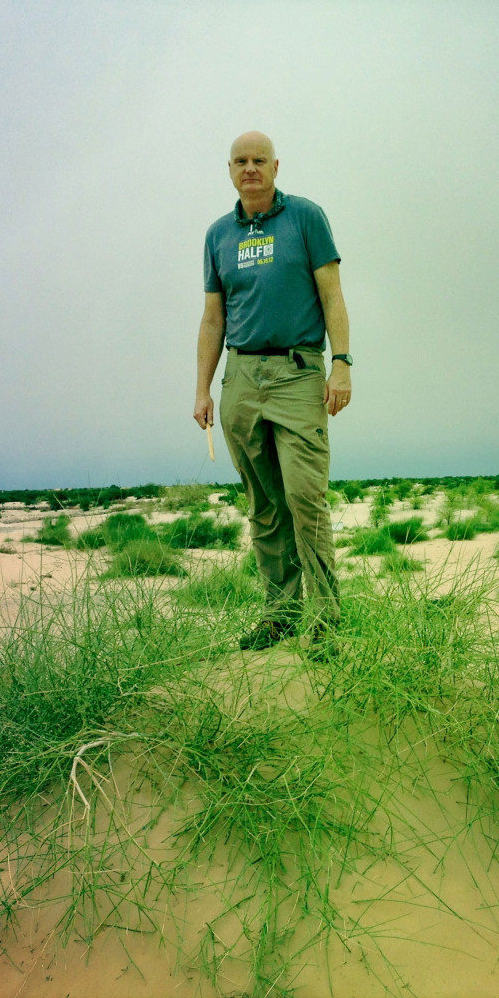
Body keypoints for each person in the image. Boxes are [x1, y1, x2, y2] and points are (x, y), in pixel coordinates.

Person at [193, 131, 353, 655]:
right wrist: (203, 391)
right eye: (240, 161)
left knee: (305, 497)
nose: (250, 168)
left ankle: (327, 621)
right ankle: (280, 617)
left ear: (276, 166)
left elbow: (332, 294)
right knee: (264, 507)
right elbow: (213, 318)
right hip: (241, 380)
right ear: (230, 170)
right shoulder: (218, 235)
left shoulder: (305, 217)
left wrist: (342, 365)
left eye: (260, 160)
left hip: (298, 374)